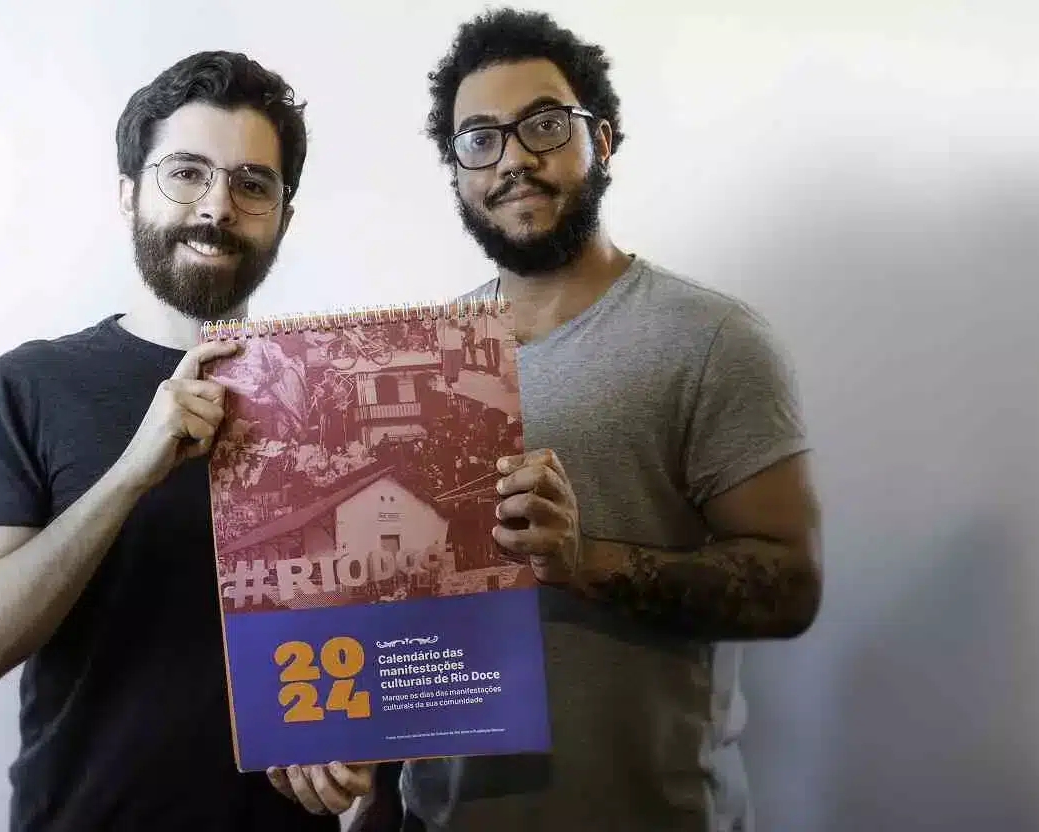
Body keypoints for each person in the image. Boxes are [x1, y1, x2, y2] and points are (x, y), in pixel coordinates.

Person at [342, 9, 825, 832]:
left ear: (600, 139)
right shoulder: (414, 360)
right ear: (457, 172)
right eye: (480, 139)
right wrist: (376, 780)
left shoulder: (712, 338)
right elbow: (402, 603)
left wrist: (582, 560)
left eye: (543, 125)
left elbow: (792, 589)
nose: (513, 159)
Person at [0, 50, 373, 830]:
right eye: (186, 173)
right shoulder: (31, 385)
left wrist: (357, 741)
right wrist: (132, 472)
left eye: (252, 183)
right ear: (129, 193)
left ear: (283, 215)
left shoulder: (341, 393)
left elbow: (380, 632)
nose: (217, 206)